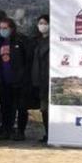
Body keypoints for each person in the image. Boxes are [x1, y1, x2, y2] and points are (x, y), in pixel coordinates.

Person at [0, 18, 30, 141]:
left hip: (20, 82)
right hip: (3, 81)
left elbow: (28, 60)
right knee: (5, 107)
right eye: (1, 28)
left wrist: (24, 76)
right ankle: (6, 130)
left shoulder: (22, 41)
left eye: (5, 28)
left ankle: (20, 131)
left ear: (12, 28)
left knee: (21, 107)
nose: (3, 30)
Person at [29, 15, 50, 143]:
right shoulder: (36, 40)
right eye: (40, 23)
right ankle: (47, 133)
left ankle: (52, 133)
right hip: (40, 80)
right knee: (44, 109)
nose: (42, 25)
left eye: (45, 23)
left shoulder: (54, 41)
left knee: (49, 108)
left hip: (49, 79)